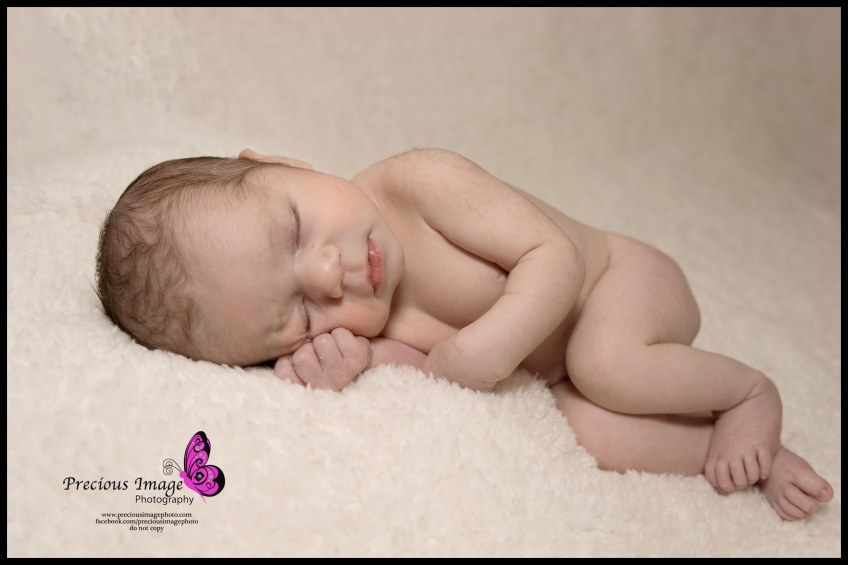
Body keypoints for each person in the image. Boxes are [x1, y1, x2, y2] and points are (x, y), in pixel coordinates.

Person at [96, 147, 833, 520]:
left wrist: (481, 348)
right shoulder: (373, 317)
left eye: (294, 228)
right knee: (582, 427)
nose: (327, 275)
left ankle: (744, 390)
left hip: (621, 283)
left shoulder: (419, 183)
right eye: (299, 316)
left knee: (602, 362)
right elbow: (417, 373)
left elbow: (558, 257)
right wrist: (345, 360)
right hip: (561, 369)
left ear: (280, 162)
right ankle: (726, 449)